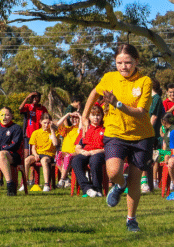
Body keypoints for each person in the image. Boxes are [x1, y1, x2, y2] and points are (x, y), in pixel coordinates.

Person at [82, 44, 153, 232]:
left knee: (135, 180)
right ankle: (120, 185)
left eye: (128, 62)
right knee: (113, 172)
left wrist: (117, 104)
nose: (123, 67)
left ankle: (131, 219)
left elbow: (140, 112)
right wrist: (84, 116)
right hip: (115, 134)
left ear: (136, 61)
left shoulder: (145, 81)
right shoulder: (109, 78)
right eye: (119, 63)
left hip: (142, 136)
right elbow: (94, 93)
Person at [71, 105, 105, 197]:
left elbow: (107, 148)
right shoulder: (85, 129)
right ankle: (87, 188)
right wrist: (82, 152)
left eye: (98, 115)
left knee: (94, 160)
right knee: (75, 161)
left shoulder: (105, 129)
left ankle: (97, 189)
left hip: (99, 153)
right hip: (85, 152)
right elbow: (77, 147)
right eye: (93, 115)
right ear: (89, 116)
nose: (95, 118)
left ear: (102, 116)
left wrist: (95, 152)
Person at [24, 113, 59, 192]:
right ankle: (24, 183)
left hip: (49, 155)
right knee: (27, 160)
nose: (46, 125)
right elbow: (33, 148)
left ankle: (46, 184)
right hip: (38, 153)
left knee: (44, 160)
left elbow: (55, 144)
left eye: (48, 123)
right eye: (44, 123)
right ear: (40, 122)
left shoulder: (54, 132)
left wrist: (52, 130)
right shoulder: (36, 133)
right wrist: (35, 154)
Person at [54, 112, 81, 188]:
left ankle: (62, 179)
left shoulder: (80, 129)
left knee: (67, 157)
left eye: (76, 118)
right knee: (58, 155)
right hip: (64, 152)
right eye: (73, 118)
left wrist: (80, 116)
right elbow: (58, 124)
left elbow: (81, 127)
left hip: (75, 153)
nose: (74, 120)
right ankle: (66, 178)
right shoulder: (67, 129)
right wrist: (67, 115)